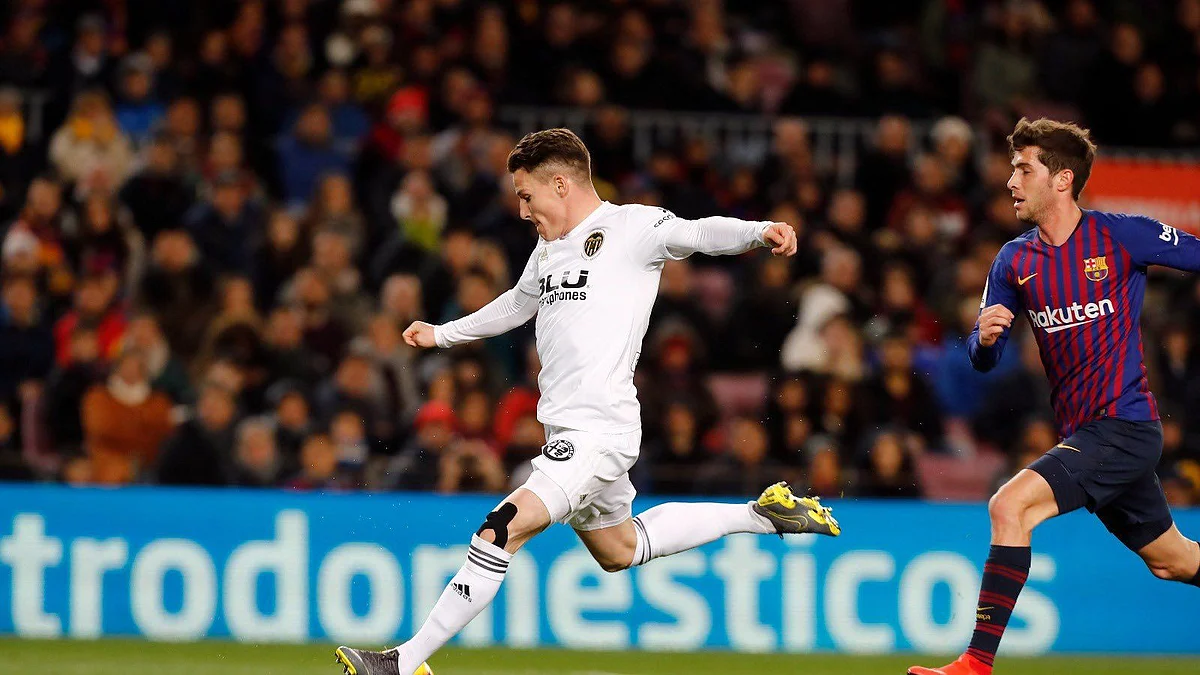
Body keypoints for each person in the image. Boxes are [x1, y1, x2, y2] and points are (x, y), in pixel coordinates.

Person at [334, 128, 841, 675]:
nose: (522, 209)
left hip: (597, 432)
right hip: (574, 434)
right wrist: (444, 333)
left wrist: (758, 231)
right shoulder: (548, 251)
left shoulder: (631, 227)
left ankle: (403, 663)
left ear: (559, 183)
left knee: (500, 529)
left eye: (526, 196)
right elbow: (515, 304)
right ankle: (761, 515)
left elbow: (698, 233)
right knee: (619, 549)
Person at [909, 118, 1200, 675]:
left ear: (1062, 179)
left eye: (1023, 169)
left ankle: (975, 663)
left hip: (1123, 427)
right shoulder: (1013, 261)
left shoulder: (1122, 236)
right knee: (1174, 561)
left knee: (1008, 506)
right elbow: (982, 358)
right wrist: (984, 338)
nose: (1011, 180)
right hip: (1086, 435)